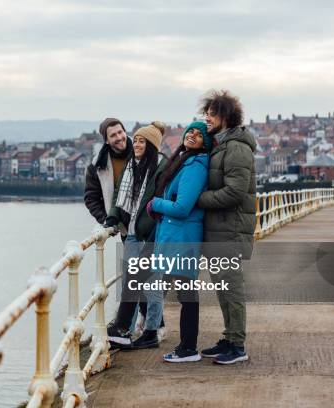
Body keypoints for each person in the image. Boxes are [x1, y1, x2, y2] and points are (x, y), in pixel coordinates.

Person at [138, 121, 212, 359]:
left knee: (185, 294)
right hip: (174, 237)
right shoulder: (185, 160)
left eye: (199, 134)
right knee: (174, 290)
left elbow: (182, 207)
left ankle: (187, 347)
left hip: (182, 238)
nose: (192, 134)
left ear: (205, 143)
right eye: (190, 130)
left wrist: (154, 204)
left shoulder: (196, 165)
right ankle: (164, 336)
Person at [196, 90, 257, 365]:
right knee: (222, 287)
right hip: (218, 229)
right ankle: (229, 337)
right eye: (205, 113)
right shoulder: (220, 145)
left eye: (211, 113)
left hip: (229, 230)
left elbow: (235, 191)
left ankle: (238, 346)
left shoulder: (236, 147)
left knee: (231, 288)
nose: (206, 118)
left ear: (225, 116)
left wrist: (199, 200)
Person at [104, 122, 168, 348]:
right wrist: (113, 216)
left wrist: (154, 233)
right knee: (130, 283)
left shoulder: (162, 167)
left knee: (152, 285)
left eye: (141, 141)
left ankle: (152, 330)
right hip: (130, 233)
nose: (136, 144)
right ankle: (125, 331)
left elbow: (162, 202)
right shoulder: (131, 166)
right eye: (136, 140)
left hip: (150, 234)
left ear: (151, 145)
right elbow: (116, 197)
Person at [84, 118, 133, 226]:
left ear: (125, 132)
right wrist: (106, 219)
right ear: (106, 141)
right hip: (125, 228)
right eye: (113, 135)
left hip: (149, 224)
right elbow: (91, 198)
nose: (119, 137)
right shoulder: (97, 166)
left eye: (120, 132)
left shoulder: (141, 151)